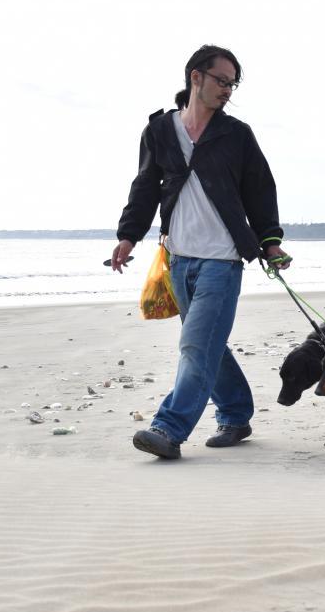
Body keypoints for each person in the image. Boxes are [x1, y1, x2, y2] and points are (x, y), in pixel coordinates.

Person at [111, 44, 290, 460]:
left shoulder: (236, 135)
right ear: (196, 77)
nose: (227, 90)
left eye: (233, 85)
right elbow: (144, 187)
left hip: (222, 261)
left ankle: (168, 430)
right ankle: (236, 413)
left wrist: (271, 241)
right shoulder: (159, 131)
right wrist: (128, 236)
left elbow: (260, 191)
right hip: (177, 259)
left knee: (195, 346)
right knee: (207, 343)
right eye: (221, 81)